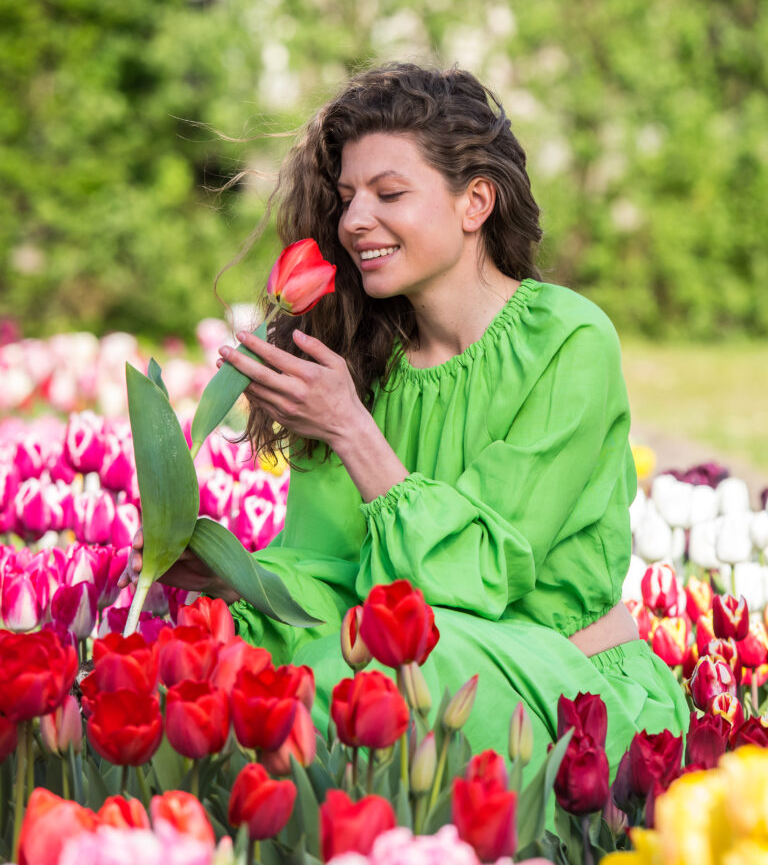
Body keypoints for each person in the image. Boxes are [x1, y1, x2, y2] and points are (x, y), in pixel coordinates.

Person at [120, 63, 688, 772]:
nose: (355, 221)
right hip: (413, 670)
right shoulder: (361, 358)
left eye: (390, 193)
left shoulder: (567, 341)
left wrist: (353, 431)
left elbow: (482, 579)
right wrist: (237, 579)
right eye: (348, 196)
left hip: (563, 690)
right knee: (216, 670)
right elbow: (334, 574)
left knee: (335, 696)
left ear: (474, 201)